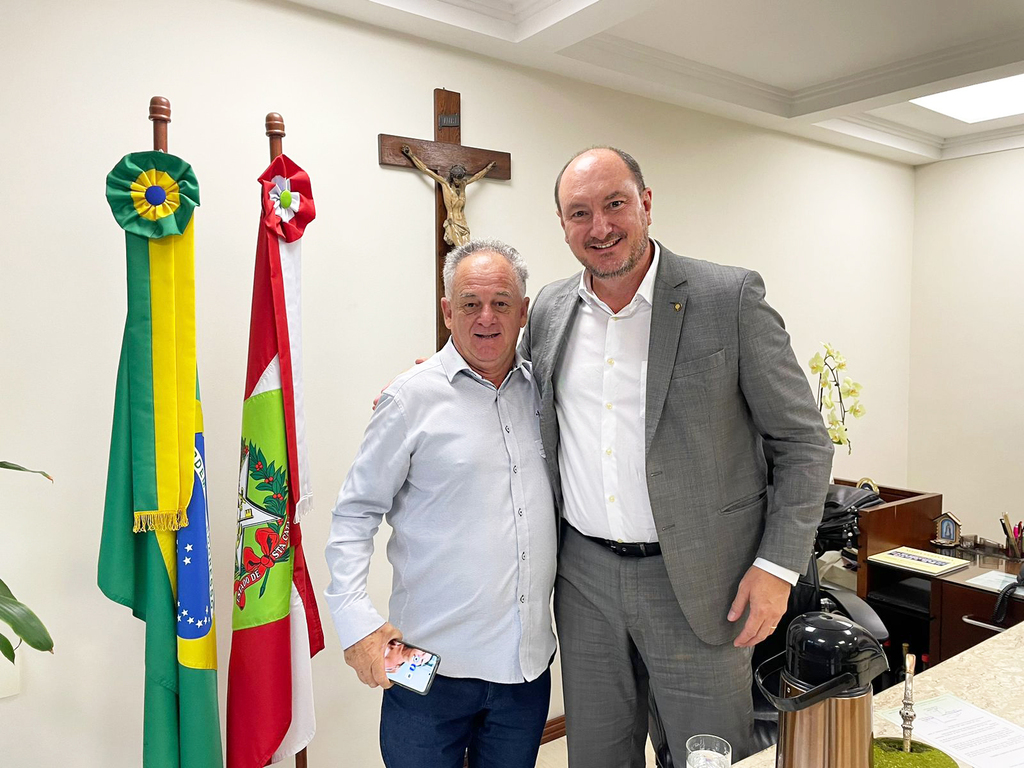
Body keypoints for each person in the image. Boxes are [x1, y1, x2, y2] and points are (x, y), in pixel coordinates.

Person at [519, 147, 833, 764]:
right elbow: (512, 397)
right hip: (583, 581)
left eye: (615, 204)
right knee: (597, 755)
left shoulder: (729, 297)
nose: (601, 227)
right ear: (562, 225)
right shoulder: (550, 311)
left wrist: (777, 568)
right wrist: (438, 381)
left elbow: (803, 443)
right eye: (579, 212)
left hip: (702, 582)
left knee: (709, 755)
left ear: (647, 204)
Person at [324, 239, 557, 768]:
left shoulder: (544, 391)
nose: (486, 317)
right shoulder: (410, 398)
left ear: (523, 312)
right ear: (448, 311)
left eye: (502, 302)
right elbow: (355, 514)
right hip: (427, 674)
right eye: (470, 303)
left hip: (525, 671)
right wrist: (356, 622)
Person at [402, 144, 495, 246]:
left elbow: (477, 177)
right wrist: (411, 155)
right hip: (453, 223)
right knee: (460, 250)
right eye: (456, 179)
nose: (458, 182)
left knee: (467, 251)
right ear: (452, 177)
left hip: (463, 223)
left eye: (460, 179)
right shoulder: (445, 184)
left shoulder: (463, 185)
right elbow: (426, 170)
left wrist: (488, 168)